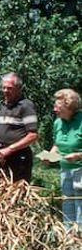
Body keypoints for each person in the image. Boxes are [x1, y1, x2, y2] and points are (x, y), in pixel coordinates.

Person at [0, 72, 38, 183]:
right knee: (1, 189)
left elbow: (32, 136)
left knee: (17, 190)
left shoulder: (26, 106)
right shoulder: (3, 106)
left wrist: (10, 149)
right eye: (3, 87)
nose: (5, 90)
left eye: (9, 88)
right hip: (2, 157)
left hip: (19, 158)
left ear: (18, 89)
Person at [44, 88, 82, 229]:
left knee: (80, 207)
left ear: (69, 106)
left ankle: (79, 238)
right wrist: (49, 156)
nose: (54, 109)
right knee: (67, 205)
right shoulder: (58, 123)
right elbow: (57, 145)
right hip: (65, 171)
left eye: (58, 107)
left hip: (80, 171)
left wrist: (78, 155)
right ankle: (68, 238)